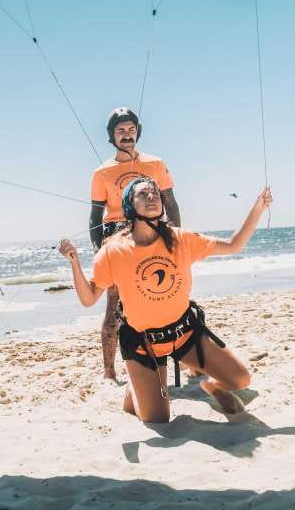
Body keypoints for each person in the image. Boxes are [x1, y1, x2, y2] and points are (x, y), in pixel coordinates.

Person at [60, 177, 271, 423]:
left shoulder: (180, 238)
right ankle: (135, 387)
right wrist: (74, 261)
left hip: (184, 333)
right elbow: (88, 298)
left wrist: (258, 207)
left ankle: (212, 388)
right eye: (143, 194)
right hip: (143, 343)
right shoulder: (113, 250)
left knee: (241, 379)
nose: (152, 197)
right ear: (129, 206)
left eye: (155, 194)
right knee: (157, 419)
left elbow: (234, 245)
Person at [89, 107, 181, 381]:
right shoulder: (101, 172)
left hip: (153, 232)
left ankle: (171, 358)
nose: (126, 135)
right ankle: (108, 370)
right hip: (118, 237)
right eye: (120, 131)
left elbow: (171, 203)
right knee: (114, 306)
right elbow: (95, 216)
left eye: (131, 130)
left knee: (162, 296)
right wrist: (100, 253)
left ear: (137, 132)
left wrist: (176, 237)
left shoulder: (155, 163)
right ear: (112, 136)